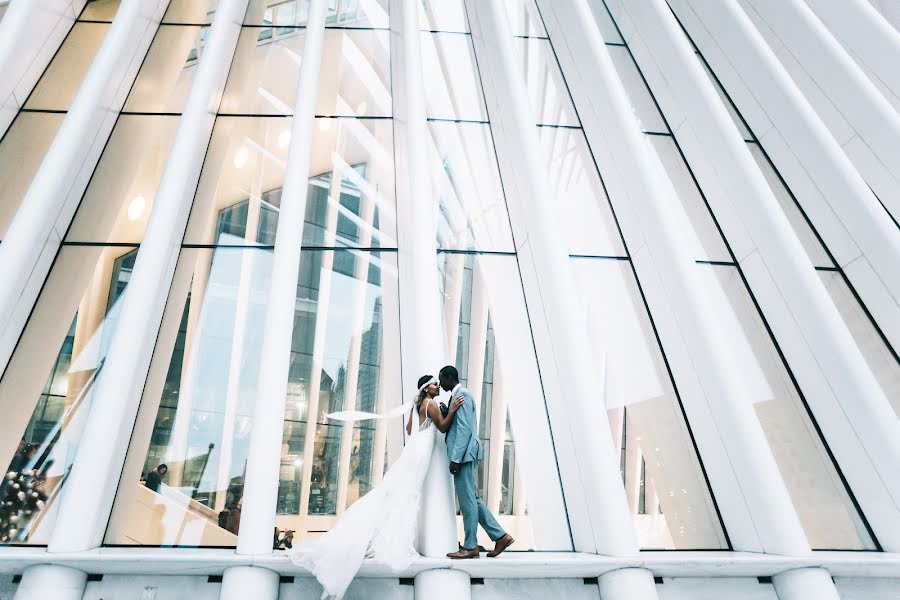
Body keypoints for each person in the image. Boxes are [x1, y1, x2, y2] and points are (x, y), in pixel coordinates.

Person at [291, 374, 464, 600]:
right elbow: (441, 427)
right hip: (421, 453)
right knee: (408, 494)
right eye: (434, 384)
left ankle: (385, 537)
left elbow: (410, 431)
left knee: (399, 492)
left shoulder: (419, 404)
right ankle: (394, 542)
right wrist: (451, 411)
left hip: (414, 450)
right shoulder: (430, 404)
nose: (437, 386)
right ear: (426, 388)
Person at [440, 365, 514, 560]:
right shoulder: (458, 396)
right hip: (466, 454)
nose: (440, 384)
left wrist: (455, 459)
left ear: (449, 377)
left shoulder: (461, 395)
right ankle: (500, 536)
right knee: (473, 499)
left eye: (442, 379)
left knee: (467, 502)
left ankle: (470, 546)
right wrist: (449, 411)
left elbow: (464, 430)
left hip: (463, 456)